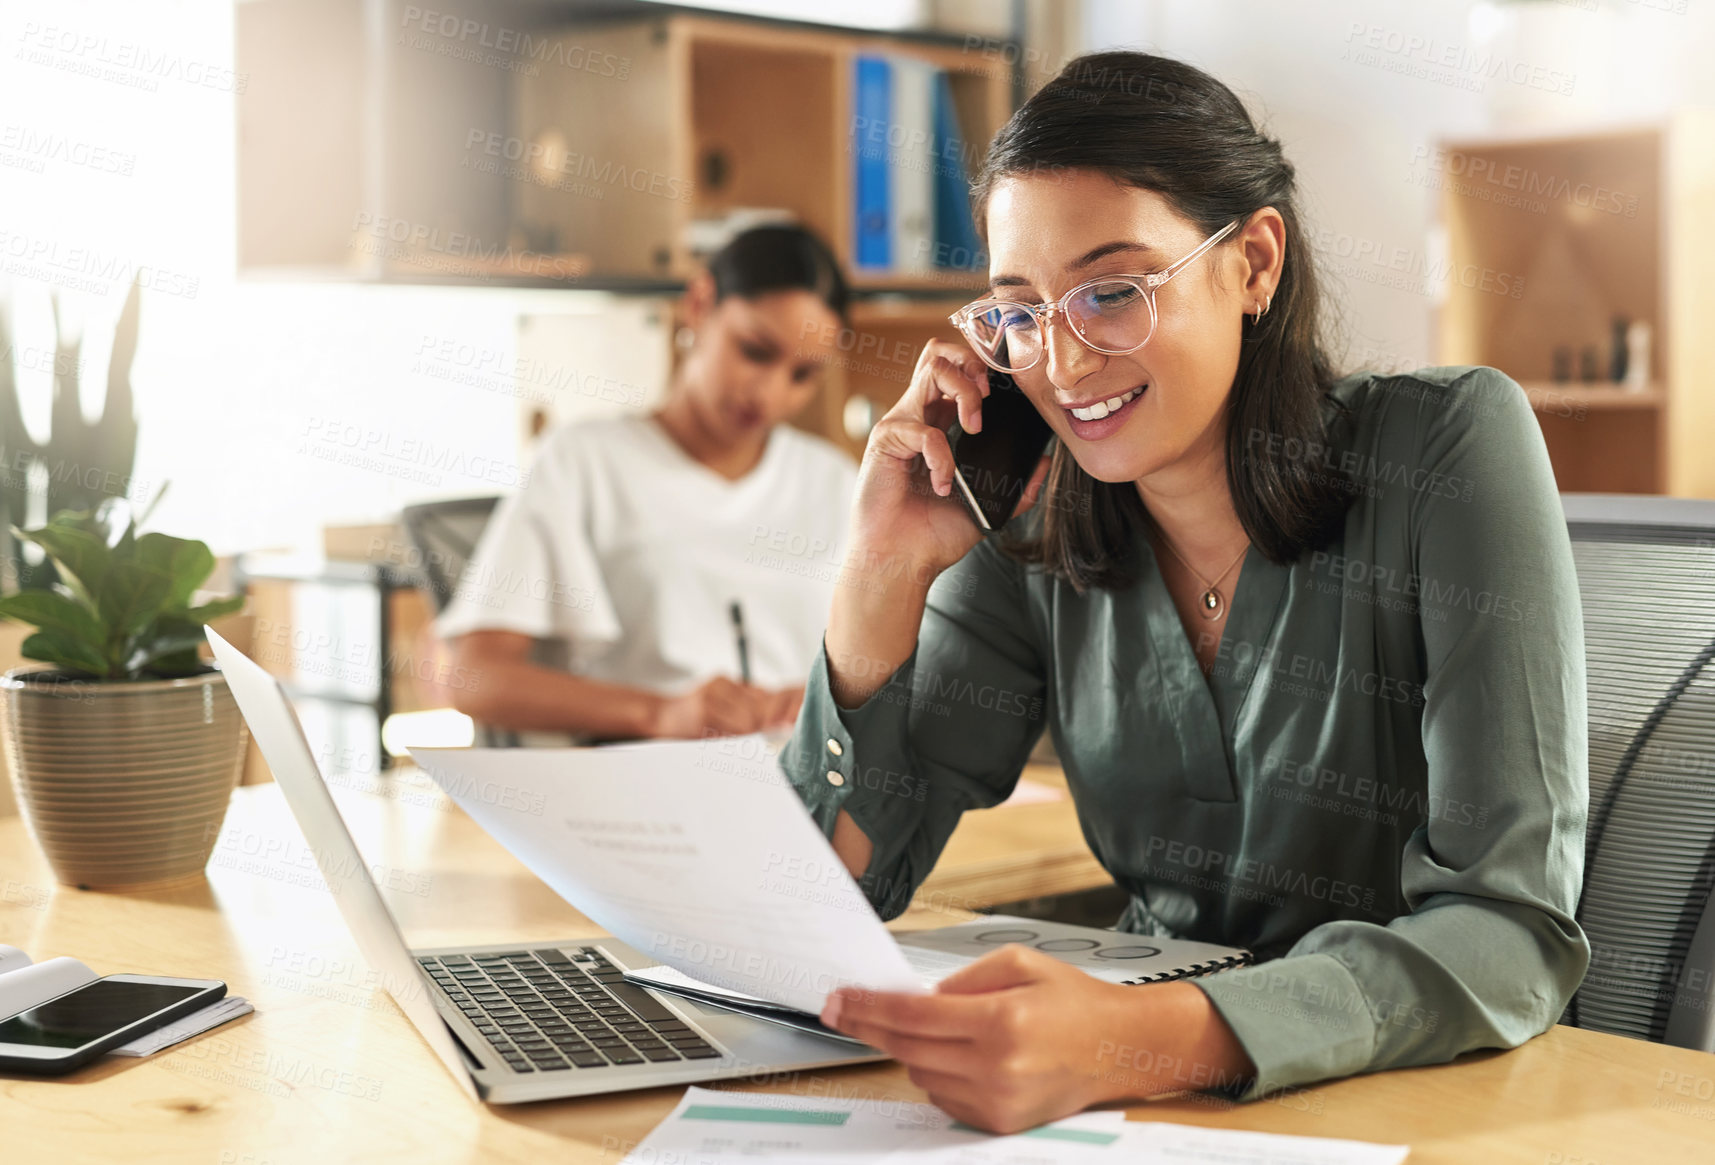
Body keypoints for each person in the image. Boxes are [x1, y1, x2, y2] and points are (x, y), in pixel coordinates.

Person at [783, 52, 1590, 1133]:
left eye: (1110, 292)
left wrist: (1139, 1042)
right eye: (1018, 313)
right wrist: (874, 579)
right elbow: (834, 900)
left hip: (1421, 1101)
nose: (1061, 367)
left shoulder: (1446, 447)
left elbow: (1510, 925)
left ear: (1253, 262)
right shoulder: (1028, 511)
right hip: (1131, 1115)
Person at [437, 224, 858, 743]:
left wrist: (829, 700)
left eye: (803, 376)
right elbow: (474, 678)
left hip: (803, 797)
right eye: (754, 351)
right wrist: (659, 714)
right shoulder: (584, 462)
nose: (770, 394)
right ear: (700, 305)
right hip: (643, 789)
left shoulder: (837, 483)